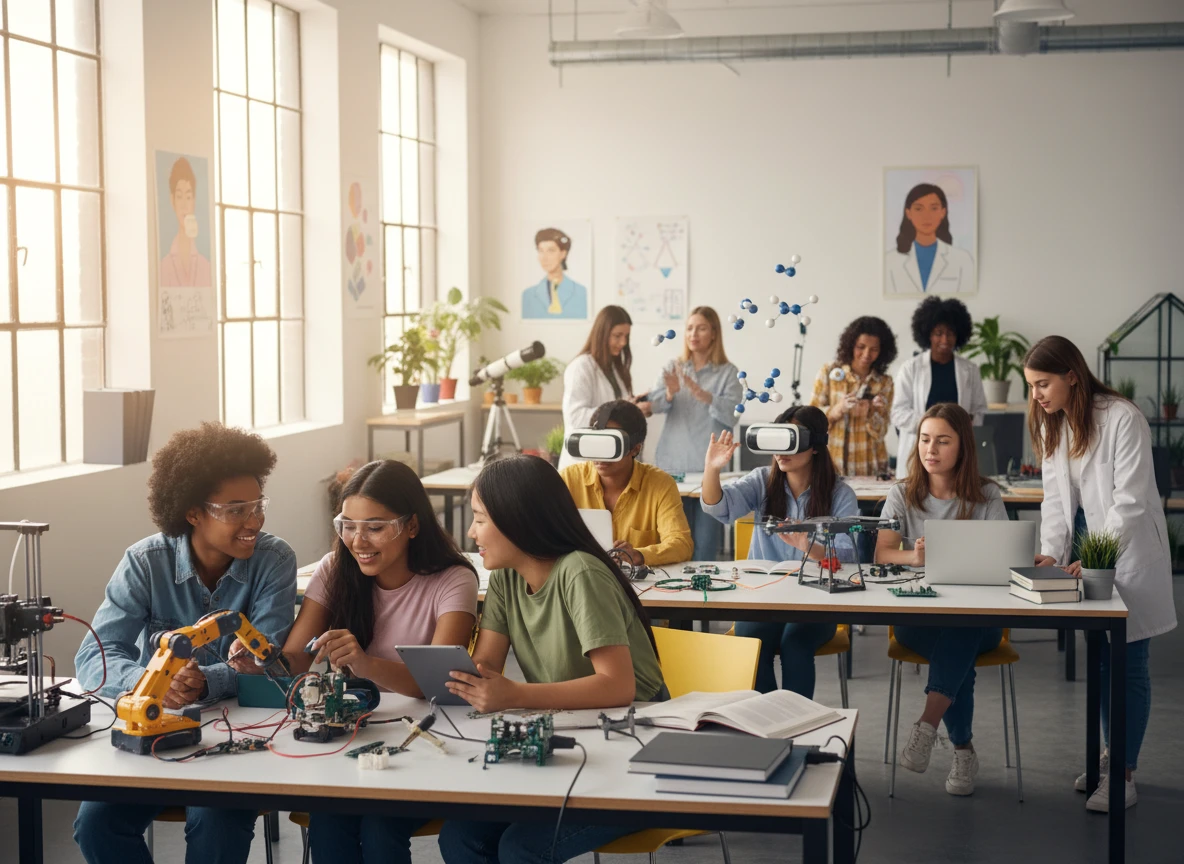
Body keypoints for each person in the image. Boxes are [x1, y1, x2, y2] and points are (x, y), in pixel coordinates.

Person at [234, 460, 479, 864]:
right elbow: (295, 660)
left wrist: (366, 665)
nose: (358, 540)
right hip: (350, 740)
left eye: (375, 527)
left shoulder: (453, 579)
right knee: (329, 825)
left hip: (421, 744)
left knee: (380, 829)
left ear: (412, 526)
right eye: (347, 525)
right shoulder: (334, 570)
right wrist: (261, 661)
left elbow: (442, 683)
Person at [73, 423, 296, 864]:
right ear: (193, 512)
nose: (255, 520)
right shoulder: (144, 562)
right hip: (157, 730)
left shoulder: (275, 561)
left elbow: (269, 660)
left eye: (258, 505)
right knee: (97, 825)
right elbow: (93, 657)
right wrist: (151, 684)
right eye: (236, 510)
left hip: (240, 733)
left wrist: (204, 682)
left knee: (216, 822)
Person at [438, 454, 665, 864]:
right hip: (568, 740)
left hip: (632, 748)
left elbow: (618, 686)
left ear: (517, 520)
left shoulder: (580, 573)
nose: (471, 532)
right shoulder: (506, 575)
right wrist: (468, 678)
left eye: (480, 519)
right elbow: (487, 663)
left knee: (521, 848)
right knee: (460, 837)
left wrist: (513, 695)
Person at [1025, 336, 1177, 812]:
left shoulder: (1123, 418)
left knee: (1129, 659)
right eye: (1031, 387)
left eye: (1043, 384)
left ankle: (1123, 774)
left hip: (1123, 547)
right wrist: (1050, 552)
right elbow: (1054, 500)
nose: (1037, 396)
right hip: (1083, 547)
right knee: (1103, 657)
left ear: (1072, 375)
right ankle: (1110, 755)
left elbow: (1129, 503)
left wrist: (1097, 554)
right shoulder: (1056, 423)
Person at [875, 403, 1008, 796]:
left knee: (962, 630)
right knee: (958, 655)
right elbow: (882, 553)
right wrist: (912, 557)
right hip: (917, 616)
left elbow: (1004, 557)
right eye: (925, 439)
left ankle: (928, 727)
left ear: (962, 446)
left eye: (943, 441)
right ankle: (963, 749)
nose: (930, 449)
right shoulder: (902, 492)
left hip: (979, 620)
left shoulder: (986, 495)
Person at [700, 406, 858, 697]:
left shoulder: (840, 494)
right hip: (765, 597)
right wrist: (712, 468)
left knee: (795, 643)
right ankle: (772, 723)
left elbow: (847, 558)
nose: (780, 452)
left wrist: (806, 545)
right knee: (749, 641)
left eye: (791, 441)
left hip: (817, 601)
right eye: (777, 441)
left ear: (814, 446)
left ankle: (796, 726)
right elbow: (719, 508)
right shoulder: (762, 481)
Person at [646, 306, 744, 560]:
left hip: (707, 472)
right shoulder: (673, 366)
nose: (694, 333)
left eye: (701, 328)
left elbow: (733, 415)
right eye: (689, 328)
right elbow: (653, 405)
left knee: (705, 550)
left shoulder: (728, 372)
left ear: (714, 333)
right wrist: (669, 393)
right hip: (672, 467)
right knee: (674, 545)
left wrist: (704, 395)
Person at [561, 399, 693, 567]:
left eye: (611, 445)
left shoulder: (660, 484)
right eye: (596, 443)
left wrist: (638, 555)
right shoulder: (569, 480)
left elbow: (681, 545)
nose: (600, 456)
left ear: (636, 448)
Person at [891, 296, 987, 478]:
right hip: (919, 451)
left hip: (956, 452)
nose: (945, 339)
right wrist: (933, 428)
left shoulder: (970, 370)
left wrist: (966, 423)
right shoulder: (910, 368)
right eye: (938, 333)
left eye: (950, 333)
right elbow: (898, 413)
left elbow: (980, 410)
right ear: (928, 334)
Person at [810, 316, 897, 477]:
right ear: (850, 345)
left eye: (874, 349)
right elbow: (811, 421)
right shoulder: (829, 372)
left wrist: (873, 412)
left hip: (871, 468)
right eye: (861, 347)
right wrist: (837, 410)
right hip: (832, 466)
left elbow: (881, 431)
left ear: (883, 350)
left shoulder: (885, 383)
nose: (866, 354)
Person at [559, 305, 638, 470]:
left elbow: (614, 404)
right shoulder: (581, 367)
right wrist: (618, 411)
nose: (623, 342)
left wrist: (632, 407)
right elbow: (576, 417)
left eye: (626, 336)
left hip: (608, 460)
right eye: (617, 336)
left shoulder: (615, 369)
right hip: (584, 462)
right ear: (602, 333)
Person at [885, 182, 974, 295]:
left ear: (943, 212)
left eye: (933, 208)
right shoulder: (890, 261)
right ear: (908, 213)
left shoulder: (963, 260)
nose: (926, 216)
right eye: (918, 209)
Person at [159, 156, 212, 288]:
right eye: (179, 197)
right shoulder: (163, 266)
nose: (184, 205)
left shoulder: (205, 266)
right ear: (172, 201)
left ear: (194, 201)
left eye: (188, 197)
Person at [521, 227, 587, 320]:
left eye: (551, 251)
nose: (544, 257)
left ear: (563, 254)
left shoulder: (581, 292)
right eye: (541, 251)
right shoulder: (528, 295)